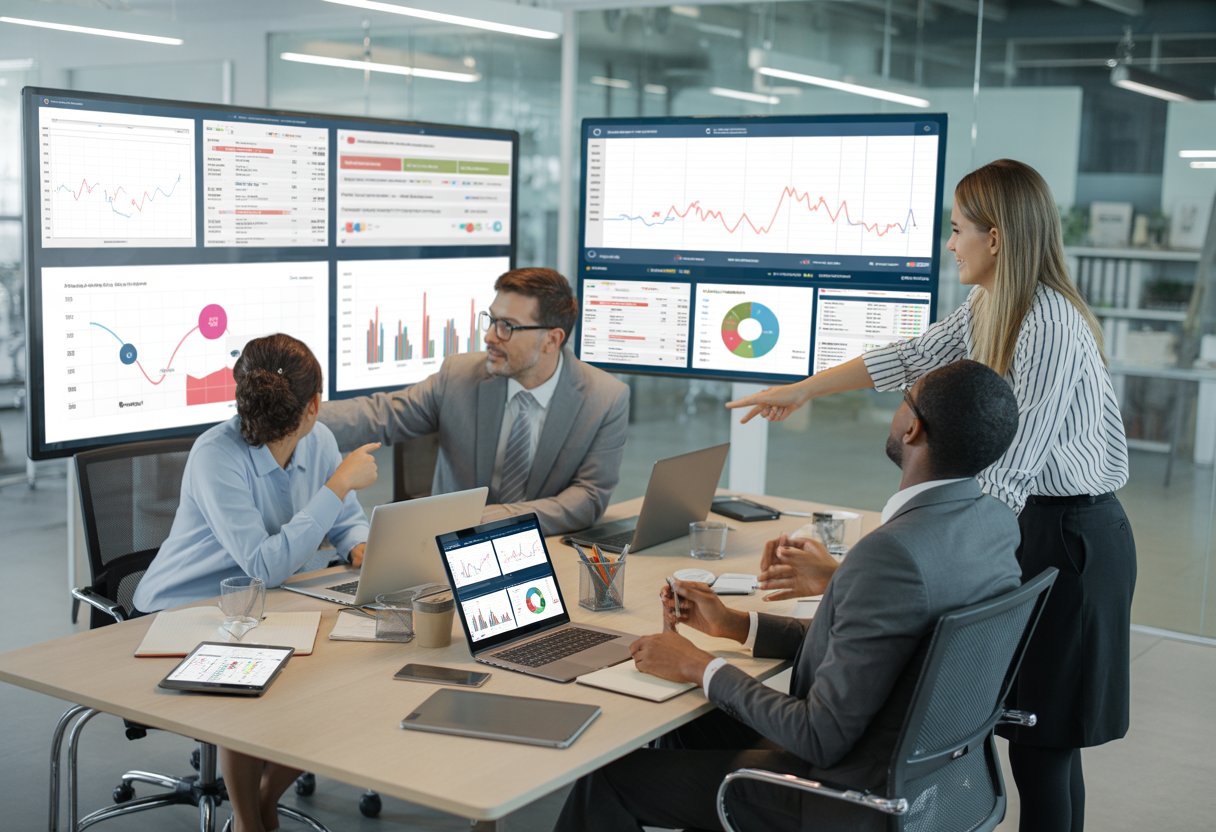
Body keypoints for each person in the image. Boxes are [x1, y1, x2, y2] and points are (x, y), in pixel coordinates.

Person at [727, 158, 1137, 832]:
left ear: (996, 238)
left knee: (1044, 749)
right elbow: (910, 357)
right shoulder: (988, 304)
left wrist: (894, 564)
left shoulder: (1051, 325)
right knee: (1032, 744)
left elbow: (1009, 471)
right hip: (1028, 526)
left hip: (1072, 539)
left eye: (957, 230)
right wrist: (803, 388)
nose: (951, 244)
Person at [553, 359, 1023, 832]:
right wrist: (735, 625)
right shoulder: (993, 524)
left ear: (913, 429)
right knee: (687, 725)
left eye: (904, 395)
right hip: (913, 776)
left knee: (610, 779)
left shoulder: (892, 553)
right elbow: (881, 647)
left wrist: (698, 664)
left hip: (840, 793)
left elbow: (820, 737)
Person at [133, 333, 379, 832]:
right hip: (185, 609)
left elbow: (345, 521)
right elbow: (262, 565)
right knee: (251, 677)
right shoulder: (215, 455)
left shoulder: (321, 441)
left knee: (347, 677)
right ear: (314, 404)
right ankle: (249, 822)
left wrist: (357, 545)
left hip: (266, 604)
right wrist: (336, 486)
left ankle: (265, 799)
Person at [320, 267, 630, 536]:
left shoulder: (604, 398)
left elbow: (588, 498)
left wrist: (497, 518)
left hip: (544, 550)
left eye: (507, 326)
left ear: (552, 339)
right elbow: (379, 414)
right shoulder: (460, 376)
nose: (490, 337)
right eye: (491, 320)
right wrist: (293, 418)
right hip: (452, 554)